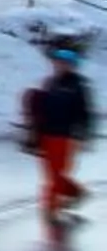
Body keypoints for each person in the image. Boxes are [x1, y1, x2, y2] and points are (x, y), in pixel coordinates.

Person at [23, 46, 93, 232]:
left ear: (73, 65)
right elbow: (39, 111)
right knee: (53, 174)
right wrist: (33, 133)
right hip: (46, 134)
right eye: (57, 62)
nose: (60, 65)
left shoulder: (78, 86)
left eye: (65, 63)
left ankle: (50, 211)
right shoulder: (50, 83)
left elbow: (85, 112)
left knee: (54, 176)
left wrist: (84, 134)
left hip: (65, 136)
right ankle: (76, 192)